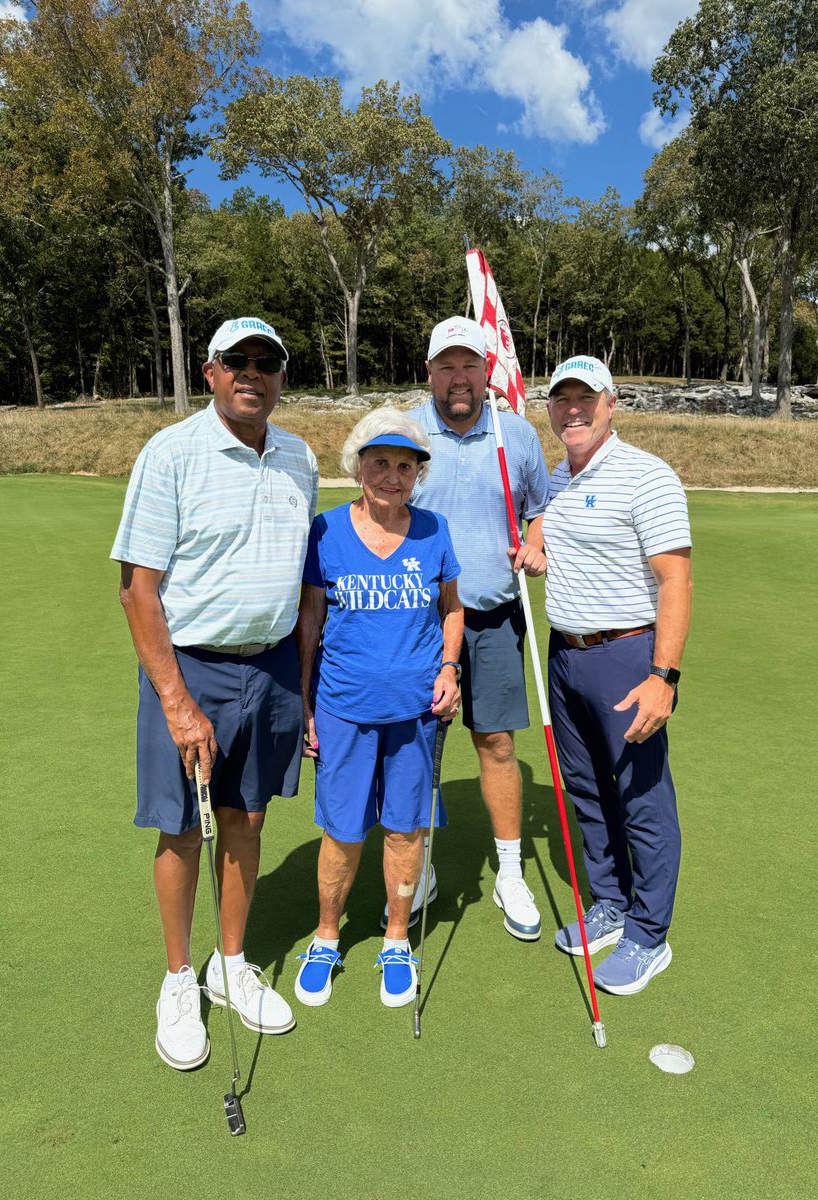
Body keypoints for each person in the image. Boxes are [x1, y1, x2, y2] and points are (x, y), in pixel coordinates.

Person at [111, 316, 318, 1069]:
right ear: (210, 372)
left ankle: (229, 964)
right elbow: (138, 590)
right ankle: (177, 980)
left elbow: (302, 590)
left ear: (281, 376)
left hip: (266, 669)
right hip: (190, 665)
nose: (252, 374)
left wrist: (300, 688)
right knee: (182, 827)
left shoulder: (299, 458)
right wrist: (175, 698)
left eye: (267, 362)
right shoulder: (172, 453)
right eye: (238, 361)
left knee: (248, 818)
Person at [293, 408, 463, 1008]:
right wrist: (307, 704)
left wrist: (448, 668)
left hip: (416, 710)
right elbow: (310, 621)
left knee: (405, 829)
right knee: (341, 832)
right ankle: (326, 936)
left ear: (418, 473)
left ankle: (395, 938)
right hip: (342, 707)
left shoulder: (434, 530)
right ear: (358, 467)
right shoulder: (326, 531)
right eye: (379, 462)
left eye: (404, 465)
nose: (391, 476)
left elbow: (452, 608)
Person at [543, 355, 692, 995]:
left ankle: (648, 933)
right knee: (585, 787)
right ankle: (609, 897)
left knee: (640, 795)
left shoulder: (646, 476)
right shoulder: (558, 476)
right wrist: (535, 537)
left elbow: (675, 580)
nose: (573, 409)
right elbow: (551, 529)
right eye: (562, 399)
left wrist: (665, 674)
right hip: (565, 655)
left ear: (611, 404)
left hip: (627, 655)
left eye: (586, 398)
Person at [402, 316, 550, 941]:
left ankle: (510, 872)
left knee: (496, 745)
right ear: (430, 371)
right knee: (419, 750)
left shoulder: (514, 435)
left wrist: (537, 539)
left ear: (486, 371)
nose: (458, 378)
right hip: (417, 622)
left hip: (493, 619)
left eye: (469, 365)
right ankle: (422, 863)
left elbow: (541, 506)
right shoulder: (407, 432)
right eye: (446, 366)